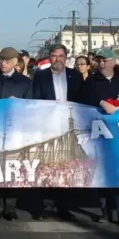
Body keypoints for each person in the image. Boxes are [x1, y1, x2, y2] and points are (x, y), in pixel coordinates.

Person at [78, 48, 119, 226]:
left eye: (104, 60)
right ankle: (105, 210)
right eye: (99, 60)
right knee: (102, 171)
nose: (101, 63)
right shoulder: (92, 80)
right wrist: (100, 102)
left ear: (113, 61)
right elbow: (82, 97)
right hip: (99, 132)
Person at [0, 47, 33, 220]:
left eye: (7, 61)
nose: (3, 64)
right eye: (1, 60)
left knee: (13, 168)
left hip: (15, 131)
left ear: (15, 63)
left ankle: (10, 206)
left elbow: (30, 107)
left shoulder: (24, 82)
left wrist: (18, 104)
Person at [31, 44, 82, 220]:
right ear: (49, 57)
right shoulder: (40, 76)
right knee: (47, 167)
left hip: (68, 127)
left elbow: (81, 99)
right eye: (54, 56)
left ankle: (63, 207)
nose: (57, 59)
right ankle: (46, 206)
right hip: (48, 127)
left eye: (61, 56)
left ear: (66, 58)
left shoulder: (75, 75)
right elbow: (35, 99)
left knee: (66, 169)